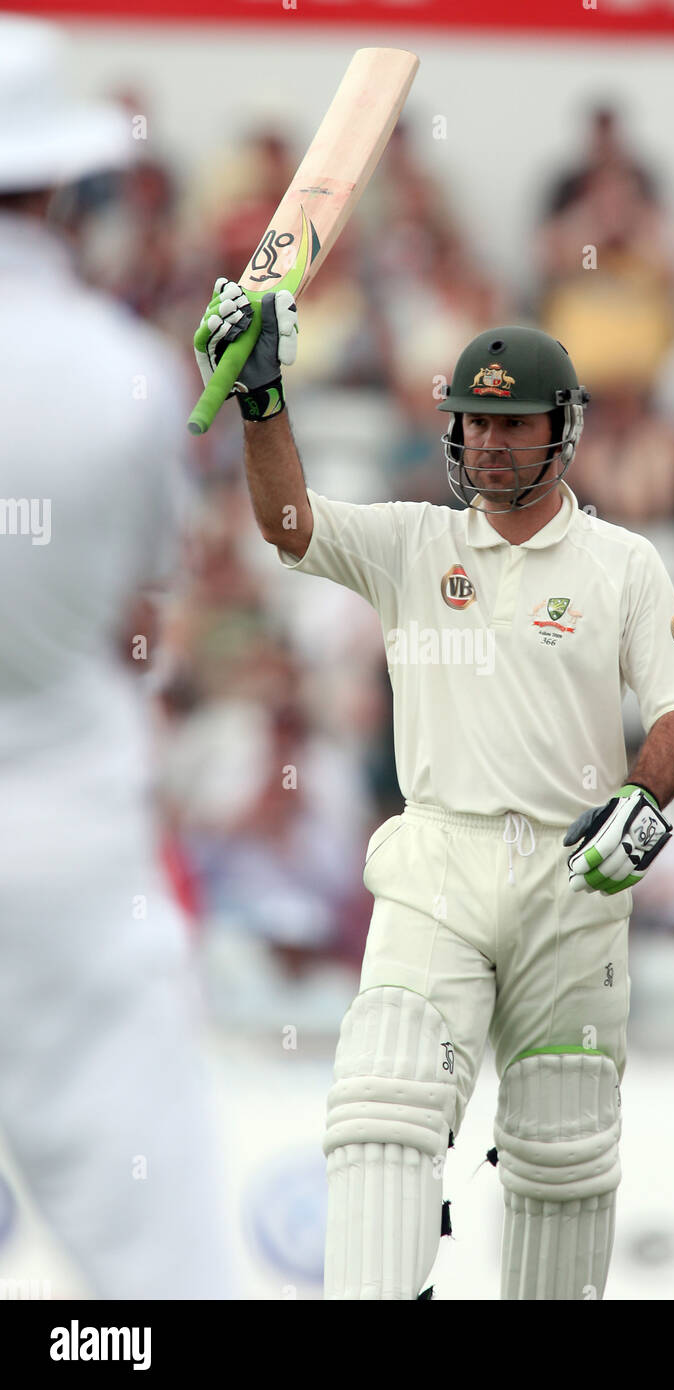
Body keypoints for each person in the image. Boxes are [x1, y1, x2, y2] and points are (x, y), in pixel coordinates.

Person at [194, 279, 674, 1299]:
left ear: (560, 432)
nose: (486, 444)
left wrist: (639, 803)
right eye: (471, 423)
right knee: (383, 1108)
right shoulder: (412, 545)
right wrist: (264, 402)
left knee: (561, 1152)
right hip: (438, 857)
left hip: (573, 871)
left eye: (510, 425)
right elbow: (287, 523)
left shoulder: (621, 563)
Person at [0, 17, 236, 1298]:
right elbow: (138, 628)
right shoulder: (122, 379)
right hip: (65, 845)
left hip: (65, 821)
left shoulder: (127, 376)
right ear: (51, 186)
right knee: (155, 1273)